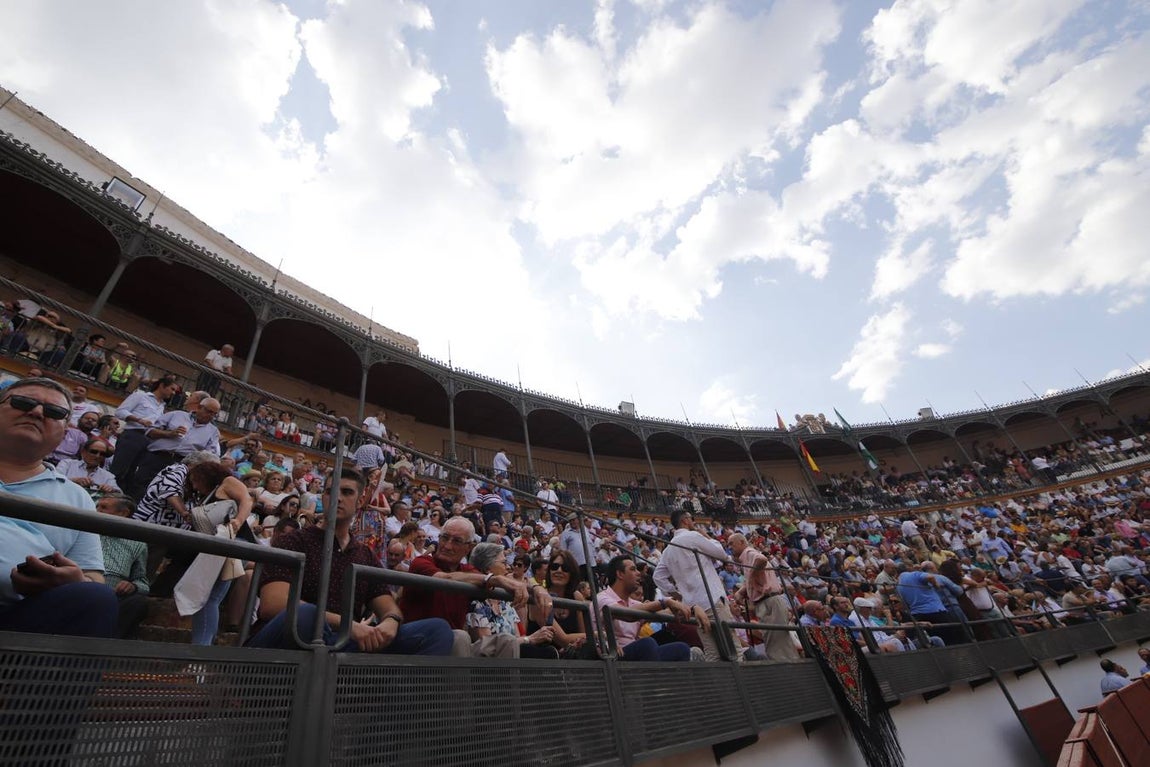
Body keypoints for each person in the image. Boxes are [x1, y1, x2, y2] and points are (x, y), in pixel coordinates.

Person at [247, 467, 453, 656]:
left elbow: (388, 606)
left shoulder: (364, 554)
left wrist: (391, 622)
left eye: (346, 492)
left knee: (438, 630)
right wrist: (350, 626)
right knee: (305, 615)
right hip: (288, 641)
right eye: (330, 491)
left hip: (342, 644)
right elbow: (273, 604)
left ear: (361, 500)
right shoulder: (292, 541)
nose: (337, 497)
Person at [0, 377, 117, 637]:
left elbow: (93, 578)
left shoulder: (77, 498)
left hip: (12, 615)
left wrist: (72, 581)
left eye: (54, 412)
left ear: (65, 433)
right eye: (22, 402)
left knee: (96, 598)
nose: (37, 412)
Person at [400, 516, 551, 657]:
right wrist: (495, 579)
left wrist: (536, 588)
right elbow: (445, 578)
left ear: (468, 547)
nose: (447, 545)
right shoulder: (422, 562)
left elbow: (503, 581)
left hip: (454, 649)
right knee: (459, 637)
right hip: (417, 643)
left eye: (456, 541)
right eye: (444, 538)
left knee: (506, 641)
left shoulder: (468, 571)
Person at [654, 506, 740, 661]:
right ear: (685, 520)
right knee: (733, 648)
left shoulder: (668, 549)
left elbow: (658, 577)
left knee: (712, 653)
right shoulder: (692, 536)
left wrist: (676, 594)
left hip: (694, 606)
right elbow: (721, 554)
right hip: (712, 599)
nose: (693, 522)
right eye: (691, 519)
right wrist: (706, 536)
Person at [466, 542, 558, 659]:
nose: (509, 567)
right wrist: (531, 638)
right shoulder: (477, 604)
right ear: (487, 568)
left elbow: (518, 639)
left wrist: (536, 587)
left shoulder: (505, 601)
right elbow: (487, 649)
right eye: (504, 563)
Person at [596, 554, 692, 661]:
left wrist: (692, 608)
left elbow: (664, 613)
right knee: (647, 644)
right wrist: (665, 602)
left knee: (681, 649)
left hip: (635, 654)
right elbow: (628, 615)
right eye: (633, 569)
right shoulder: (602, 598)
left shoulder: (634, 603)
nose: (638, 573)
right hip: (613, 656)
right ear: (620, 574)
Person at [127, 391, 219, 499]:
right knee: (140, 487)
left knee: (167, 493)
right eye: (209, 412)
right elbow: (149, 431)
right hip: (157, 457)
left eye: (214, 414)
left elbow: (209, 455)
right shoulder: (176, 415)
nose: (211, 416)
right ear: (199, 407)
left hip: (181, 464)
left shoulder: (213, 431)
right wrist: (169, 434)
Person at [729, 532, 798, 661]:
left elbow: (762, 560)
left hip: (768, 601)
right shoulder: (747, 556)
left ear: (742, 542)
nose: (729, 547)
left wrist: (751, 578)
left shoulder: (748, 552)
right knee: (777, 640)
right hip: (767, 601)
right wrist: (741, 591)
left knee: (776, 642)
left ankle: (787, 669)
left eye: (732, 544)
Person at [95, 494, 150, 639]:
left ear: (123, 513)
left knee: (138, 603)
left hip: (114, 596)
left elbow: (142, 582)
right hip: (83, 586)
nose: (97, 511)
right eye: (97, 506)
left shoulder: (137, 543)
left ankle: (107, 645)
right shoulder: (84, 533)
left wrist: (132, 586)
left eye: (104, 507)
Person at [56, 437, 120, 496]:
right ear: (83, 452)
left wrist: (111, 490)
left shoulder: (108, 476)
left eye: (102, 454)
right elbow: (55, 480)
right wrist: (74, 481)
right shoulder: (67, 464)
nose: (97, 456)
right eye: (94, 452)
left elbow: (119, 494)